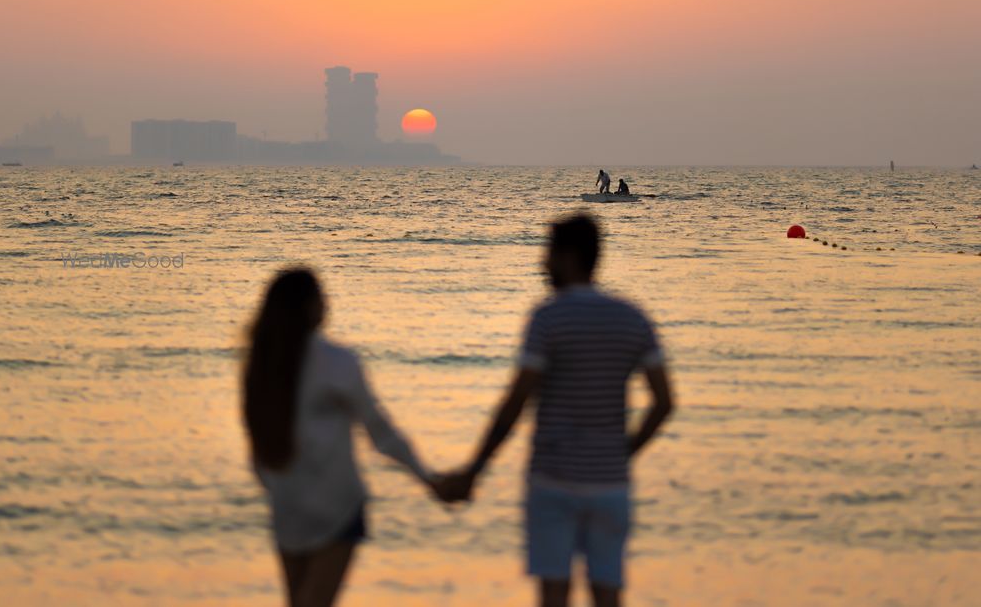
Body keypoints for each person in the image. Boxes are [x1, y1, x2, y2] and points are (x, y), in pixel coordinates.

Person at [435, 214, 675, 607]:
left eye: (548, 252)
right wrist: (623, 453)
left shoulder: (548, 317)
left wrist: (475, 470)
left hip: (553, 481)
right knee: (608, 593)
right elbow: (664, 403)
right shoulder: (632, 317)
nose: (542, 263)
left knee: (553, 596)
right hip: (610, 484)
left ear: (568, 257)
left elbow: (516, 402)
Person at [242, 268, 438, 607]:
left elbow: (257, 448)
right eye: (321, 297)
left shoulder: (261, 365)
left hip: (288, 507)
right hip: (337, 507)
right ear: (308, 307)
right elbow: (381, 434)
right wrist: (428, 478)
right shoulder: (336, 362)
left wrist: (278, 490)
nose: (327, 305)